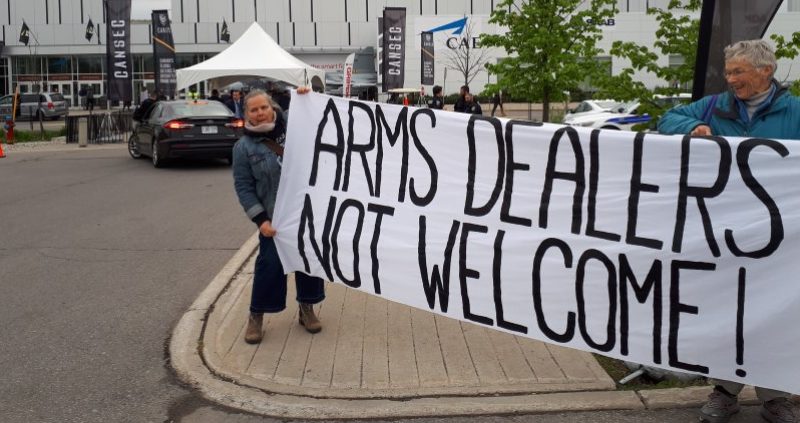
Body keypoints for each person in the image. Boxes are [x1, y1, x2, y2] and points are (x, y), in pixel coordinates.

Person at [658, 39, 800, 423]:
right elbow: (666, 120)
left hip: (781, 236)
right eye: (730, 71)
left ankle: (775, 396)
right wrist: (695, 126)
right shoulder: (714, 106)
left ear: (765, 71)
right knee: (729, 310)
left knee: (776, 312)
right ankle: (725, 390)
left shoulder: (796, 111)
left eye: (739, 71)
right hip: (726, 231)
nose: (731, 79)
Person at [232, 88, 325, 345]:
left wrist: (308, 97)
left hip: (305, 213)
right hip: (273, 220)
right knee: (270, 266)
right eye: (254, 109)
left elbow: (319, 124)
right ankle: (256, 314)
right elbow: (244, 187)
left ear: (273, 108)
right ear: (247, 114)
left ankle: (307, 308)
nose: (260, 113)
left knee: (308, 262)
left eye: (264, 107)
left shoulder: (294, 131)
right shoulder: (243, 148)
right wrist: (261, 220)